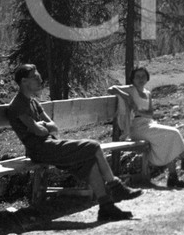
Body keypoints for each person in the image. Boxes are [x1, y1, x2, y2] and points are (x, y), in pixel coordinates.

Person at [7, 64, 141, 222]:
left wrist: (43, 127)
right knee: (94, 146)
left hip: (50, 146)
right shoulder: (17, 105)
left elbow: (53, 127)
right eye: (35, 77)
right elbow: (39, 131)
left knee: (90, 161)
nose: (40, 80)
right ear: (24, 81)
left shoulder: (33, 102)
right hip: (40, 151)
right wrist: (43, 127)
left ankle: (106, 207)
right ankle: (116, 187)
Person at [108, 67, 184, 189]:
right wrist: (126, 97)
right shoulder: (131, 90)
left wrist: (139, 111)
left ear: (147, 78)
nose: (141, 79)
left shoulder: (147, 93)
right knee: (173, 132)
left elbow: (150, 113)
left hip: (149, 124)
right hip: (137, 128)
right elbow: (111, 89)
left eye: (143, 76)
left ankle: (173, 177)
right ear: (133, 79)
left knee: (169, 137)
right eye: (137, 76)